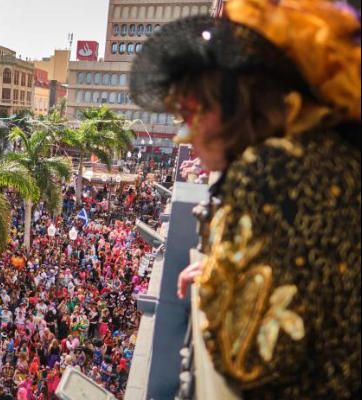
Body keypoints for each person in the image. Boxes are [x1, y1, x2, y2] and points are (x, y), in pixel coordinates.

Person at [129, 0, 361, 398]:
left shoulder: (271, 168)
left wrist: (221, 283)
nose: (185, 136)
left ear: (236, 102)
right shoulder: (326, 153)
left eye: (191, 113)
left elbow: (242, 358)